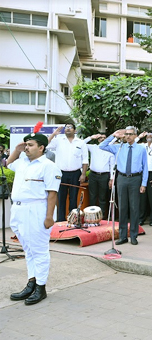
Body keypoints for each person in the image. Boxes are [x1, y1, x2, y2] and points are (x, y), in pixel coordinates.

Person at [7, 131, 61, 305]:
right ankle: (31, 282)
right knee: (28, 250)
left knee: (39, 250)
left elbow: (52, 193)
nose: (27, 148)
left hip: (37, 210)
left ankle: (41, 287)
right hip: (19, 210)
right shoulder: (22, 162)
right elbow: (7, 164)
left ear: (41, 147)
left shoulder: (48, 166)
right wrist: (17, 149)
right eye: (26, 145)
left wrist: (49, 217)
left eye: (30, 145)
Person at [100, 127, 148, 245]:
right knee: (122, 208)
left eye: (130, 134)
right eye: (126, 134)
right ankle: (122, 236)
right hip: (121, 178)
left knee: (134, 208)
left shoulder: (141, 149)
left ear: (135, 135)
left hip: (135, 178)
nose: (128, 136)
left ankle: (133, 235)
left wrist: (144, 183)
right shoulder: (119, 147)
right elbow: (102, 146)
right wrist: (114, 135)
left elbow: (145, 167)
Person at [47, 124, 88, 222]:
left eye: (70, 127)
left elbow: (85, 159)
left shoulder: (81, 143)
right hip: (61, 173)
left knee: (73, 197)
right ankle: (60, 219)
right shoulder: (59, 140)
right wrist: (54, 134)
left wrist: (83, 174)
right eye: (66, 128)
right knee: (61, 197)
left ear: (75, 130)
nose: (68, 129)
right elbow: (46, 144)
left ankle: (72, 219)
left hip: (75, 173)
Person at [84, 134, 115, 219]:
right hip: (93, 174)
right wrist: (90, 137)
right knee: (92, 197)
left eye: (104, 138)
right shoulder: (94, 147)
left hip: (104, 176)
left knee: (102, 198)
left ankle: (102, 217)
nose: (102, 139)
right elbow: (81, 144)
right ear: (98, 140)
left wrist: (111, 179)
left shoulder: (110, 150)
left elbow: (112, 166)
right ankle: (91, 217)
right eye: (100, 138)